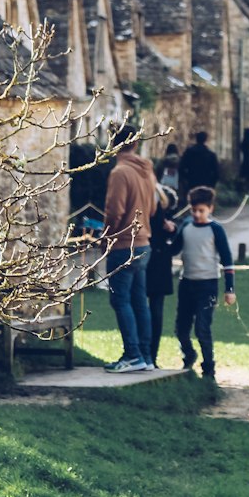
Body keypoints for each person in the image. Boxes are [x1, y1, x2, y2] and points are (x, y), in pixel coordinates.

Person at [101, 125, 158, 372]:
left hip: (123, 244)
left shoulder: (120, 172)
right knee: (139, 301)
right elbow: (153, 209)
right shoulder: (147, 172)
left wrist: (106, 235)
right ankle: (145, 355)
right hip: (144, 242)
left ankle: (132, 354)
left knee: (120, 300)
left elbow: (115, 210)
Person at [171, 185, 235, 386]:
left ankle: (209, 368)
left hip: (208, 285)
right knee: (181, 327)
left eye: (201, 210)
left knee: (202, 327)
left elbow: (227, 259)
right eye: (194, 210)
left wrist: (229, 289)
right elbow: (174, 249)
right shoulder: (186, 227)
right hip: (187, 283)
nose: (197, 214)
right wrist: (169, 231)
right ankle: (188, 354)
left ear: (210, 209)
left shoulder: (215, 229)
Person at [146, 185, 177, 368]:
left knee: (153, 311)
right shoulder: (162, 215)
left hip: (155, 262)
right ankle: (149, 355)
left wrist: (172, 230)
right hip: (156, 261)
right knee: (153, 311)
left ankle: (149, 354)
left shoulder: (158, 215)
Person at [179, 131, 219, 198]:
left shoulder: (189, 153)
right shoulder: (211, 155)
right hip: (206, 183)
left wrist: (187, 178)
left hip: (192, 182)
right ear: (205, 140)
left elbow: (181, 168)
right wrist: (212, 184)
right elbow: (216, 172)